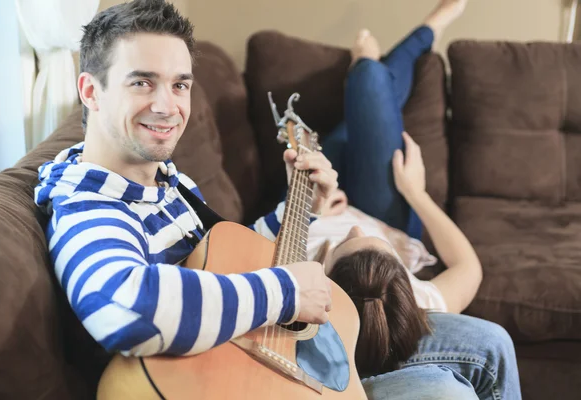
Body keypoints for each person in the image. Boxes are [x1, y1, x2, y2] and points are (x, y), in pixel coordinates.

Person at [34, 0, 337, 359]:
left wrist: (301, 209)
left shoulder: (170, 183)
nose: (167, 107)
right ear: (90, 92)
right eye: (142, 82)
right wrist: (285, 292)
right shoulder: (89, 204)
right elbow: (131, 310)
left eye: (180, 85)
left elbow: (226, 268)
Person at [307, 0, 523, 398]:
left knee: (349, 120)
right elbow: (468, 266)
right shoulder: (414, 299)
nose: (356, 227)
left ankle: (374, 71)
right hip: (382, 202)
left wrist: (310, 211)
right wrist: (415, 192)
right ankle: (421, 32)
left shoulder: (299, 277)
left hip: (321, 196)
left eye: (342, 243)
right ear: (405, 279)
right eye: (377, 242)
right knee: (370, 79)